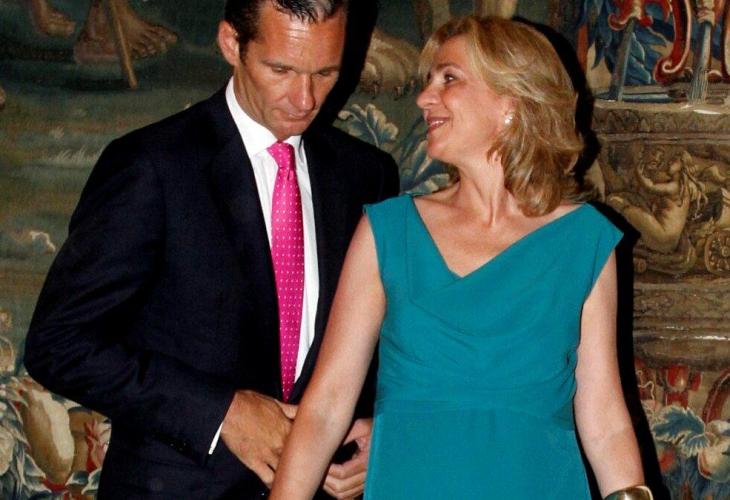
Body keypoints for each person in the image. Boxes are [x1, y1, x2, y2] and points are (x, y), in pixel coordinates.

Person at [23, 0, 398, 498]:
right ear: (231, 44)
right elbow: (58, 344)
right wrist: (222, 412)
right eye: (281, 69)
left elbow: (383, 341)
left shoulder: (367, 175)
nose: (305, 98)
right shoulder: (151, 165)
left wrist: (381, 431)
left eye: (326, 73)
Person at [270, 15, 653, 500]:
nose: (424, 98)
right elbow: (326, 406)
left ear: (511, 103)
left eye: (448, 78)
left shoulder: (582, 240)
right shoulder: (389, 231)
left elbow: (605, 420)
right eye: (429, 80)